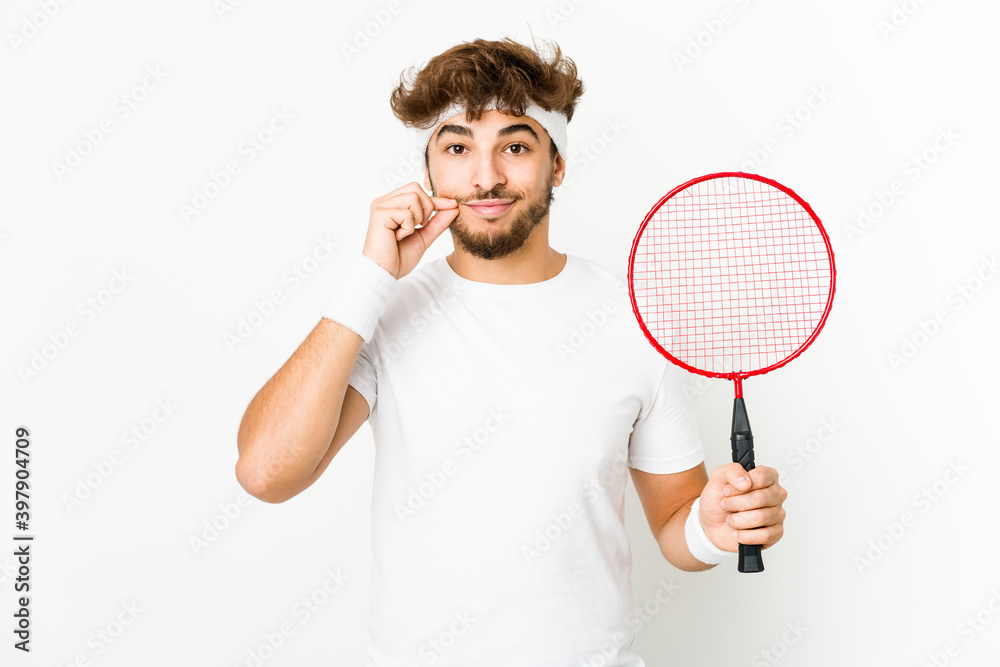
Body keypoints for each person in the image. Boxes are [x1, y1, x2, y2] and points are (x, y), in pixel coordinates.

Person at [235, 37, 787, 666]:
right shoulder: (386, 314)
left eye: (516, 146)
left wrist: (713, 531)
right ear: (430, 170)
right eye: (458, 147)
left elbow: (677, 525)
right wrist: (370, 278)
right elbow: (264, 473)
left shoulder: (633, 320)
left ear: (556, 164)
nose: (486, 176)